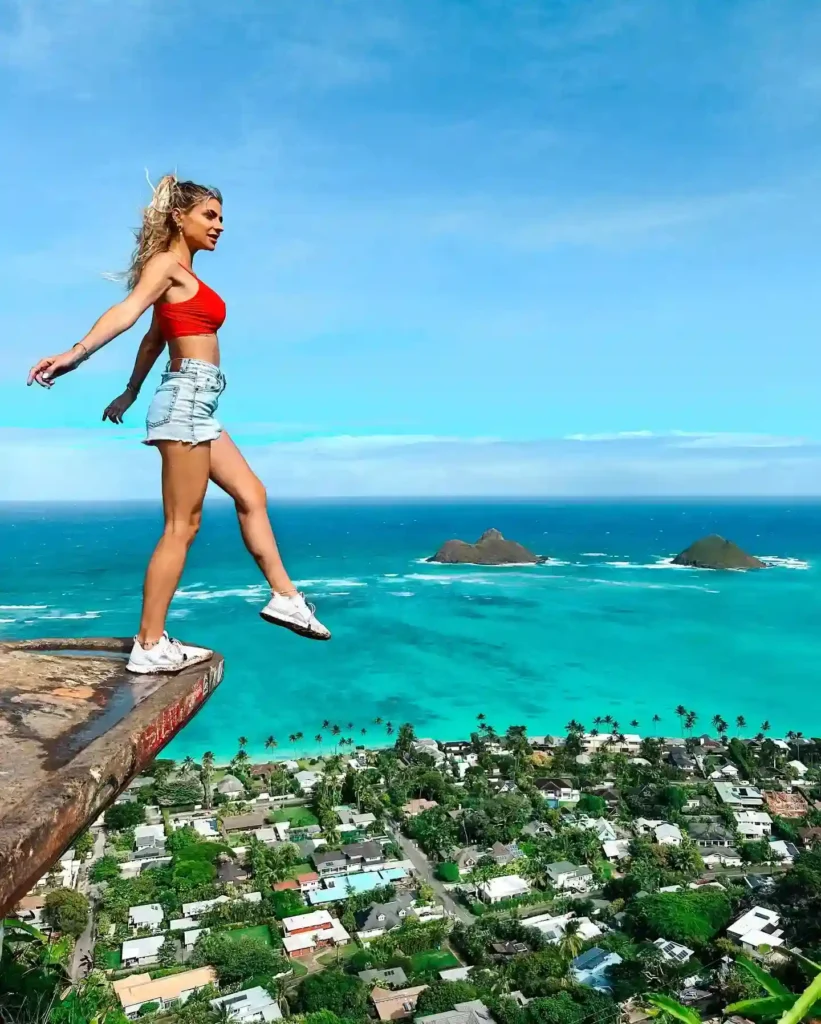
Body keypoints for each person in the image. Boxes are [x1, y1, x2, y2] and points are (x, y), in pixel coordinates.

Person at [27, 174, 330, 673]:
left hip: (200, 404)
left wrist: (130, 391)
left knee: (252, 494)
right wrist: (75, 354)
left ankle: (286, 598)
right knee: (181, 526)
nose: (220, 226)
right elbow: (126, 312)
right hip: (185, 401)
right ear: (179, 216)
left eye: (222, 217)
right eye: (210, 215)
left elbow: (153, 338)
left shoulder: (183, 275)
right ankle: (149, 646)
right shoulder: (165, 265)